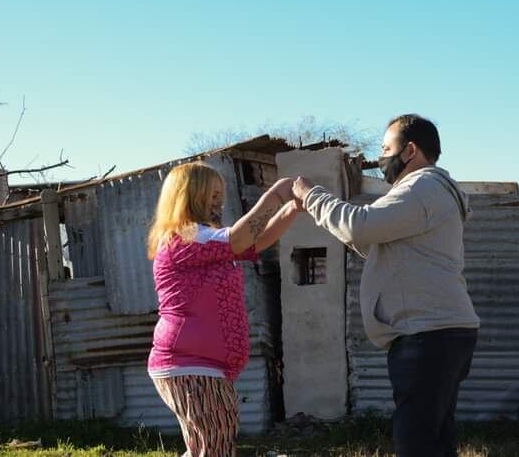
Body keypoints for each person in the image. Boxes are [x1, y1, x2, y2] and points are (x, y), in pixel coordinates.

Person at [292, 114, 480, 457]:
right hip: (438, 330)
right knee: (434, 439)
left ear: (410, 151)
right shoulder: (429, 191)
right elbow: (372, 238)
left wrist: (311, 195)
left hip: (427, 333)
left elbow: (360, 226)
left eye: (385, 149)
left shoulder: (422, 187)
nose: (381, 159)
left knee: (416, 443)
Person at [146, 161, 298, 457]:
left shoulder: (205, 239)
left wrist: (291, 210)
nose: (220, 202)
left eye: (220, 194)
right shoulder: (185, 237)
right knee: (215, 446)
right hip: (190, 363)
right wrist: (277, 194)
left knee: (209, 446)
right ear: (187, 197)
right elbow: (241, 238)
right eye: (211, 195)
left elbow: (257, 241)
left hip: (199, 365)